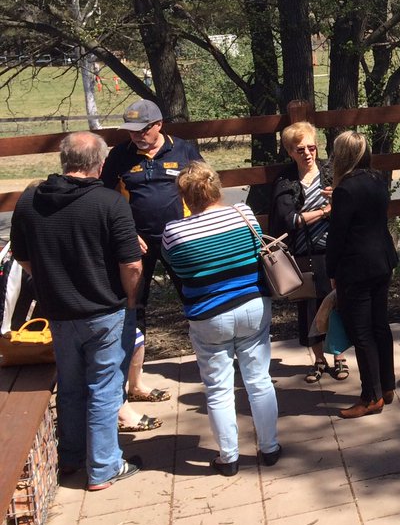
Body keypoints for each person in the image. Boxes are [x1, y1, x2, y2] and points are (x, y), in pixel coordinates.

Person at [10, 132, 143, 491]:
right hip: (104, 310)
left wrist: (50, 281)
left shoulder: (29, 200)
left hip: (58, 311)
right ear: (100, 165)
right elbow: (132, 264)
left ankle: (70, 457)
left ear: (63, 161)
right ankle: (103, 467)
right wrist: (130, 300)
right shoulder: (110, 203)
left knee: (69, 385)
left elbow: (21, 257)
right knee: (104, 387)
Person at [162, 162, 280, 476]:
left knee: (218, 389)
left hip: (209, 315)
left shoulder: (173, 233)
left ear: (185, 197)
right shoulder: (244, 214)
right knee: (259, 381)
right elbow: (258, 253)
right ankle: (269, 448)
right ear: (217, 188)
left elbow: (180, 273)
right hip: (252, 305)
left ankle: (228, 458)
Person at [101, 99, 204, 324]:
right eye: (131, 131)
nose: (137, 136)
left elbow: (205, 187)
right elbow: (105, 198)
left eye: (142, 130)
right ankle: (134, 355)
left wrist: (197, 226)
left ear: (159, 124)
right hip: (136, 240)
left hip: (180, 237)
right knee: (134, 301)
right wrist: (126, 233)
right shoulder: (119, 155)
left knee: (196, 296)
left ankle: (208, 351)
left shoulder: (183, 149)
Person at [268, 121, 349, 385]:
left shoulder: (331, 172)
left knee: (336, 303)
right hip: (302, 254)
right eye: (300, 149)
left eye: (311, 147)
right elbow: (290, 220)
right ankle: (318, 360)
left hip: (334, 249)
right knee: (308, 308)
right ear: (290, 151)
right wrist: (326, 211)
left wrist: (338, 199)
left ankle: (338, 357)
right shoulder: (286, 180)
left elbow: (349, 204)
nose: (307, 153)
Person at [326, 131, 400, 419]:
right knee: (380, 325)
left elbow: (338, 237)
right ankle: (387, 384)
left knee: (362, 332)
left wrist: (332, 271)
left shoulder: (345, 189)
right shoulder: (378, 179)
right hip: (382, 262)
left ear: (342, 155)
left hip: (356, 269)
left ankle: (371, 396)